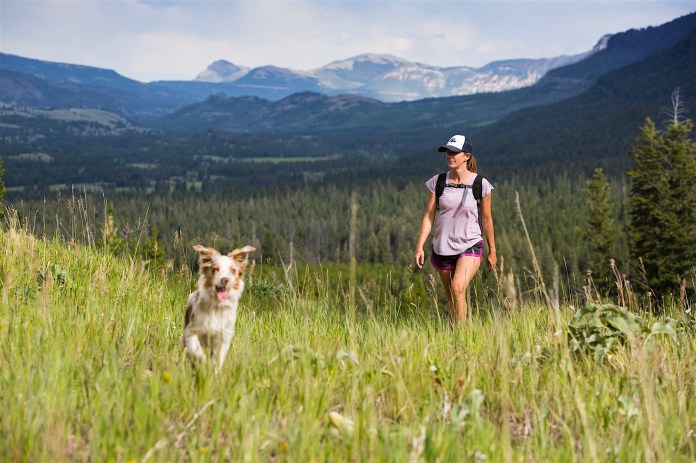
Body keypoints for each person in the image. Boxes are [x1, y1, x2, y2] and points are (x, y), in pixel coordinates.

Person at [413, 134, 497, 322]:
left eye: (455, 153)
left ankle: (461, 336)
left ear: (466, 156)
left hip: (471, 244)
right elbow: (428, 216)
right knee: (453, 297)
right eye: (447, 152)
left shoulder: (480, 184)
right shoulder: (438, 182)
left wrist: (493, 251)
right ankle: (454, 338)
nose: (450, 156)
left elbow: (486, 219)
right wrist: (419, 246)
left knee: (458, 287)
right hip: (442, 247)